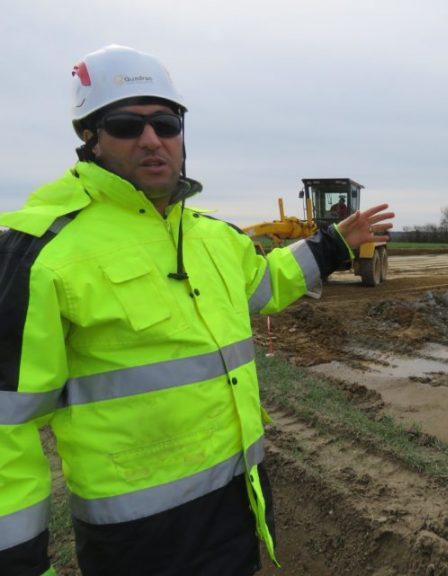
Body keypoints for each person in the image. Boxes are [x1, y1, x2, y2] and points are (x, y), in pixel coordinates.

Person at [0, 45, 393, 576]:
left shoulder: (211, 236)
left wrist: (329, 248)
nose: (151, 139)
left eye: (165, 122)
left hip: (237, 506)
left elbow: (263, 285)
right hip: (137, 542)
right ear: (88, 137)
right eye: (125, 123)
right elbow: (6, 427)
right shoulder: (40, 250)